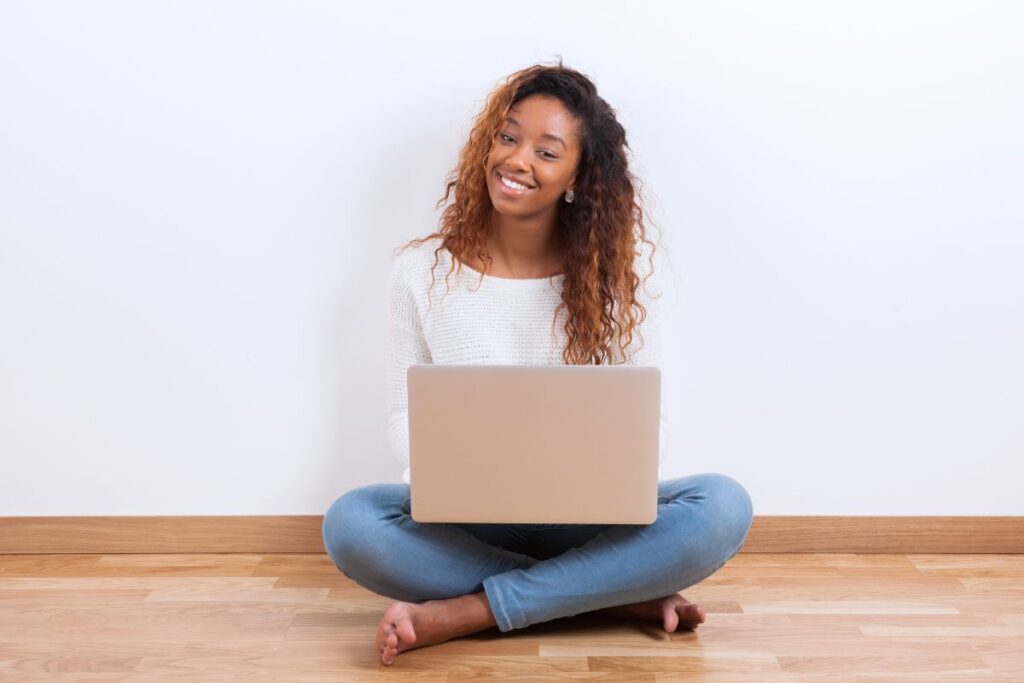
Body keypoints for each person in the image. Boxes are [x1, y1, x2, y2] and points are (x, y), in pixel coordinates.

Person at [322, 60, 754, 667]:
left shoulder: (623, 287)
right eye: (508, 137)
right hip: (466, 520)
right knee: (351, 524)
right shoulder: (419, 274)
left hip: (586, 518)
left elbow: (645, 430)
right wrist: (469, 456)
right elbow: (402, 417)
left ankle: (470, 610)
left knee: (722, 506)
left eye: (547, 152)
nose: (517, 160)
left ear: (578, 176)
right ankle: (607, 595)